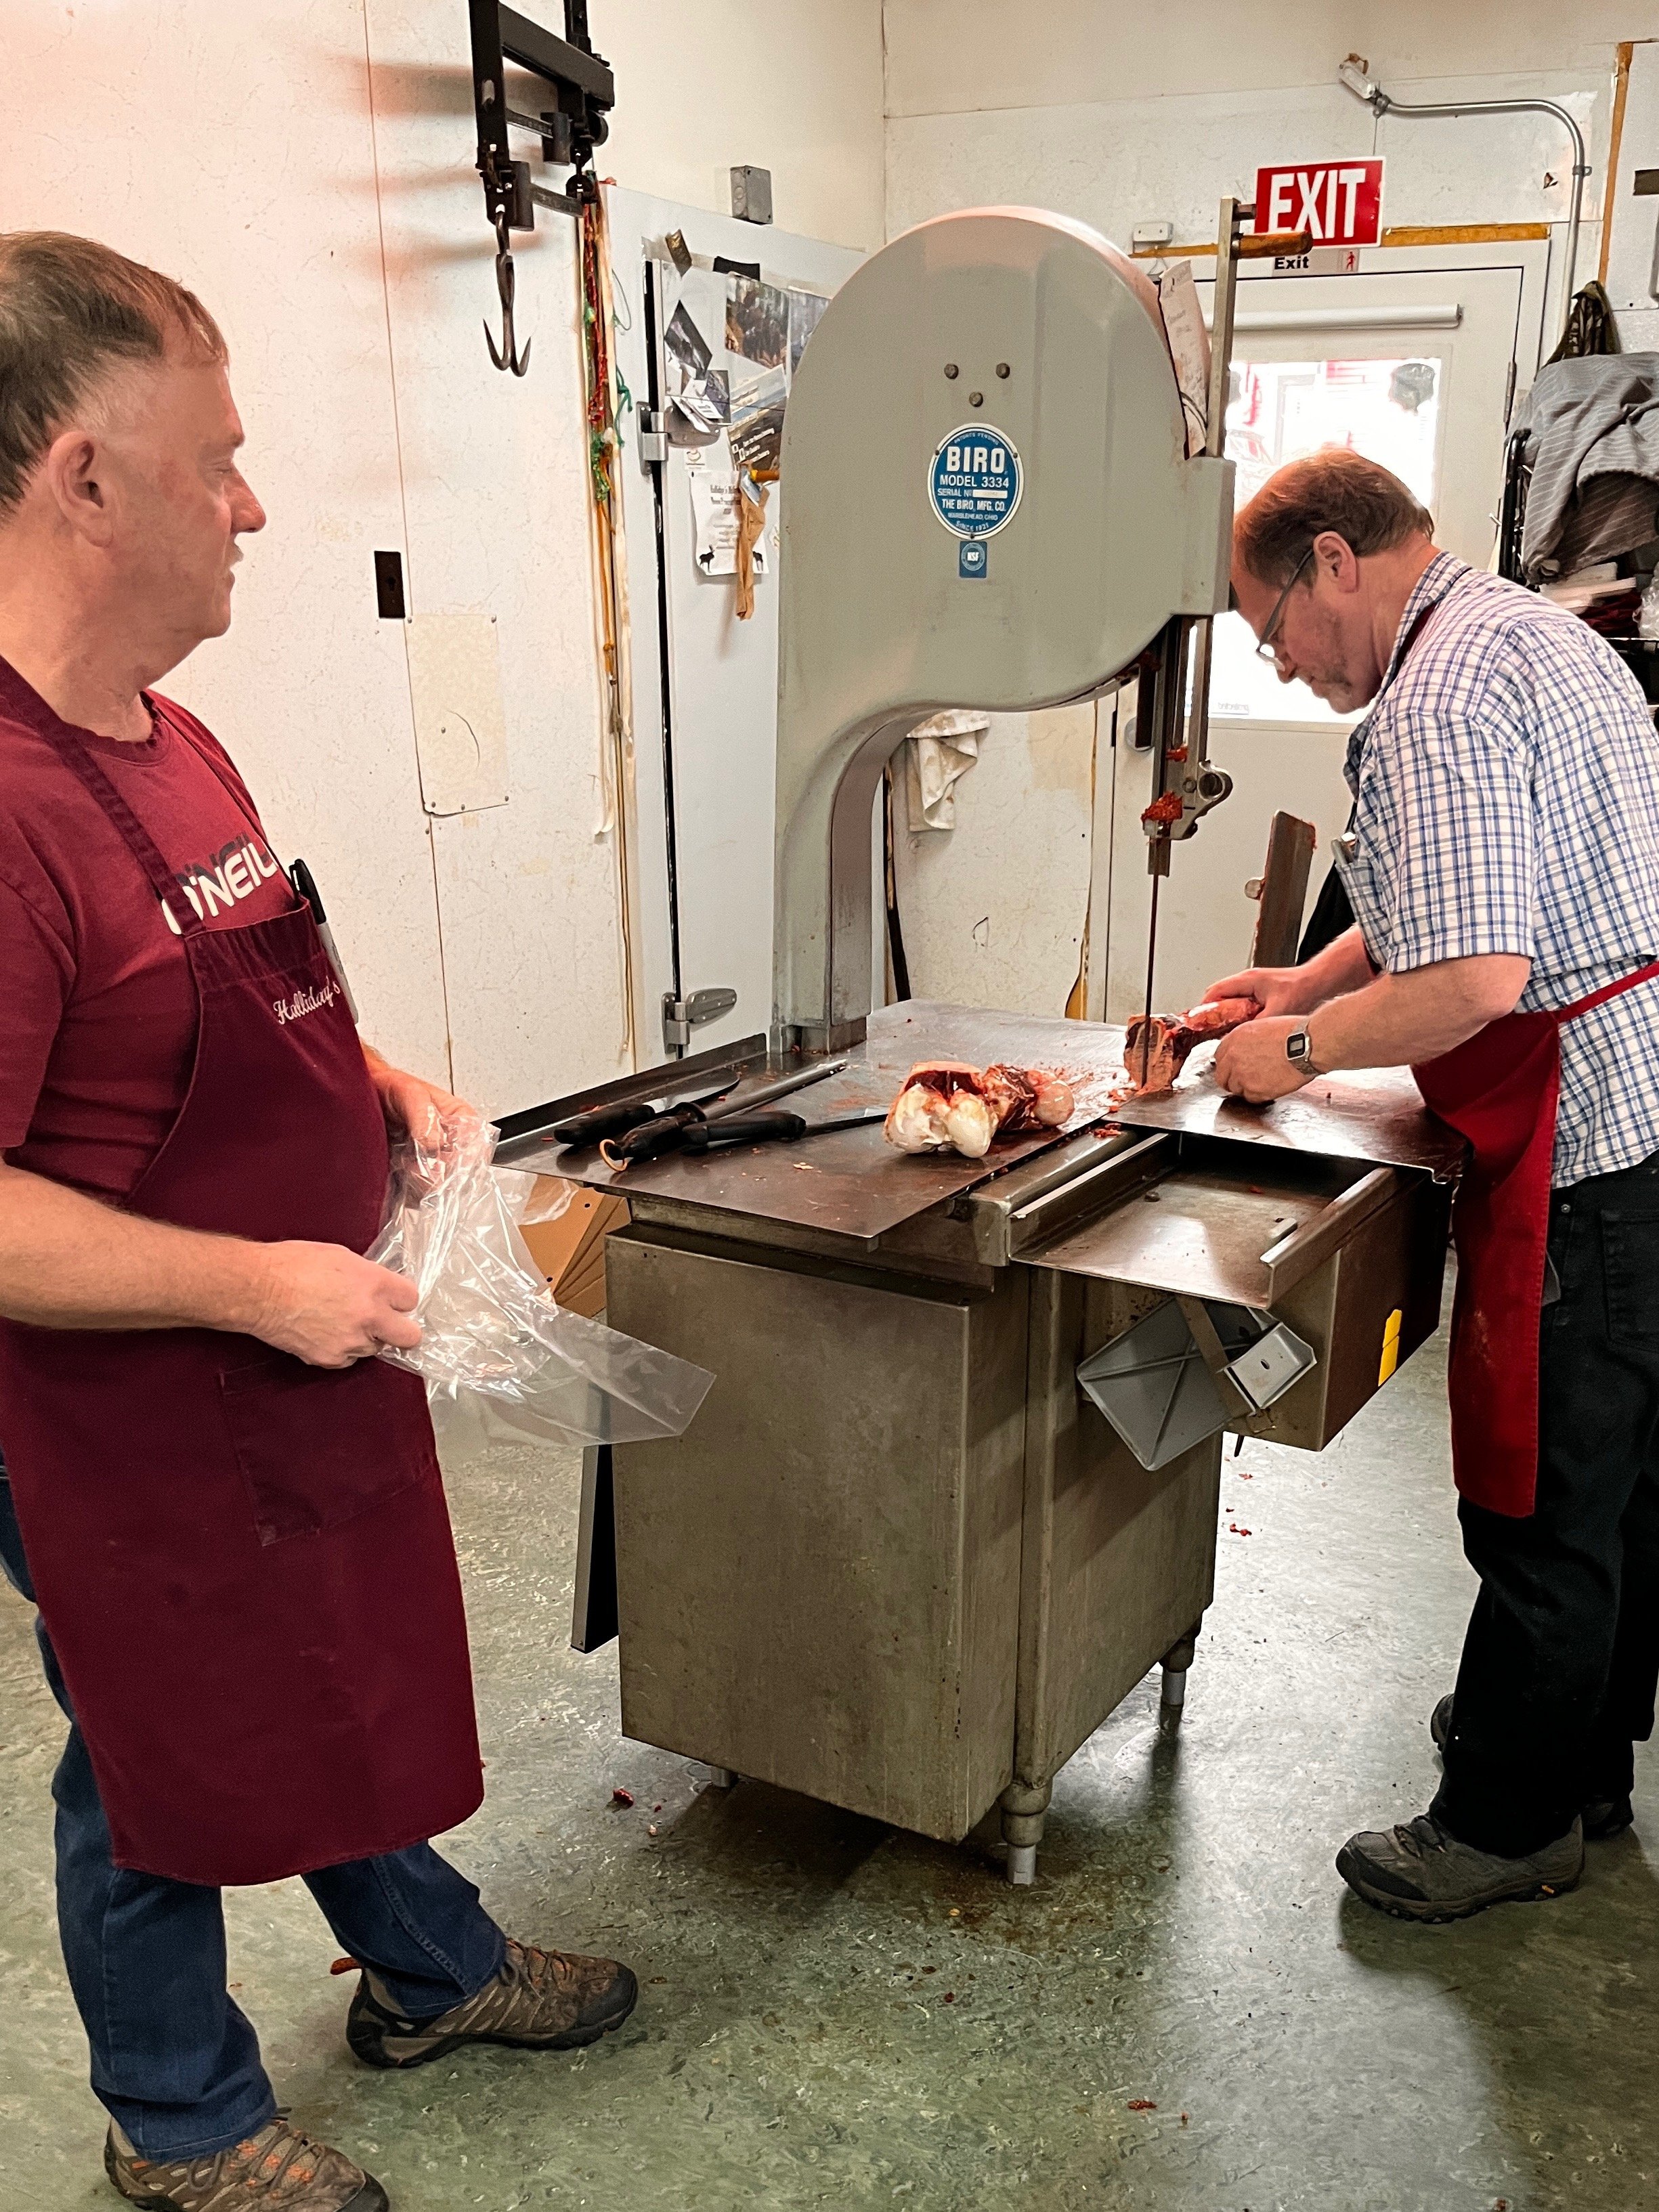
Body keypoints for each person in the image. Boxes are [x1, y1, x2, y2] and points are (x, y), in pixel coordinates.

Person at [0, 231, 634, 2211]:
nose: (254, 503)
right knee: (158, 1739)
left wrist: (389, 1092)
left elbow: (250, 992)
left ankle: (428, 1970)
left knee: (335, 1661)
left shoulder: (170, 735)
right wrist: (249, 1282)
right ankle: (172, 2114)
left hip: (293, 1342)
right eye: (219, 460)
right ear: (82, 477)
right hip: (124, 1402)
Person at [1207, 448, 1659, 1924]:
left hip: (1589, 1137)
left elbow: (1472, 973)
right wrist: (1309, 973)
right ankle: (1577, 1757)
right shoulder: (1525, 632)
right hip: (1650, 1105)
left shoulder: (1433, 703)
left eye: (1269, 626)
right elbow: (1447, 887)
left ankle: (1504, 1820)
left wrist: (1293, 1045)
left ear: (1331, 561)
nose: (1278, 658)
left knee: (1541, 1499)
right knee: (1621, 1489)